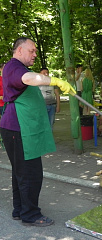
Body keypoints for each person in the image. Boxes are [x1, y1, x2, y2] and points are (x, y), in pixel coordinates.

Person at [0, 37, 75, 227]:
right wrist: (56, 81)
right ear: (19, 51)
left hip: (17, 128)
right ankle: (30, 214)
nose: (35, 54)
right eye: (31, 51)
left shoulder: (16, 67)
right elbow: (28, 78)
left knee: (21, 172)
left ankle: (20, 209)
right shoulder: (15, 67)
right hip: (19, 128)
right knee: (30, 173)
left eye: (35, 51)